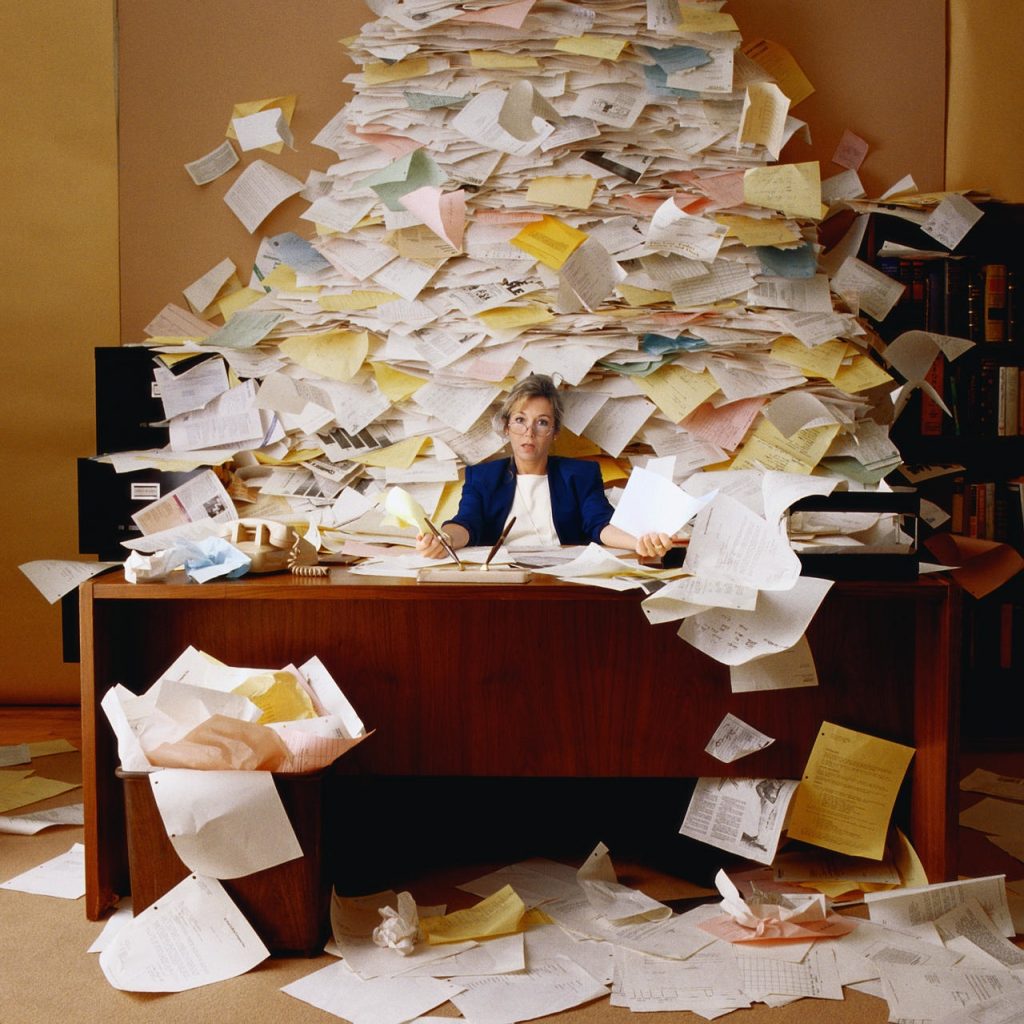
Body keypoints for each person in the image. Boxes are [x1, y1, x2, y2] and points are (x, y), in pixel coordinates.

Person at [416, 374, 674, 559]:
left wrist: (639, 542)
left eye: (541, 422)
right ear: (507, 427)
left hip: (563, 580)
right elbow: (467, 523)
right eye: (520, 420)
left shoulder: (580, 475)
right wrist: (444, 539)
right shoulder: (483, 477)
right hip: (504, 579)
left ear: (554, 431)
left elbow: (600, 524)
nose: (529, 432)